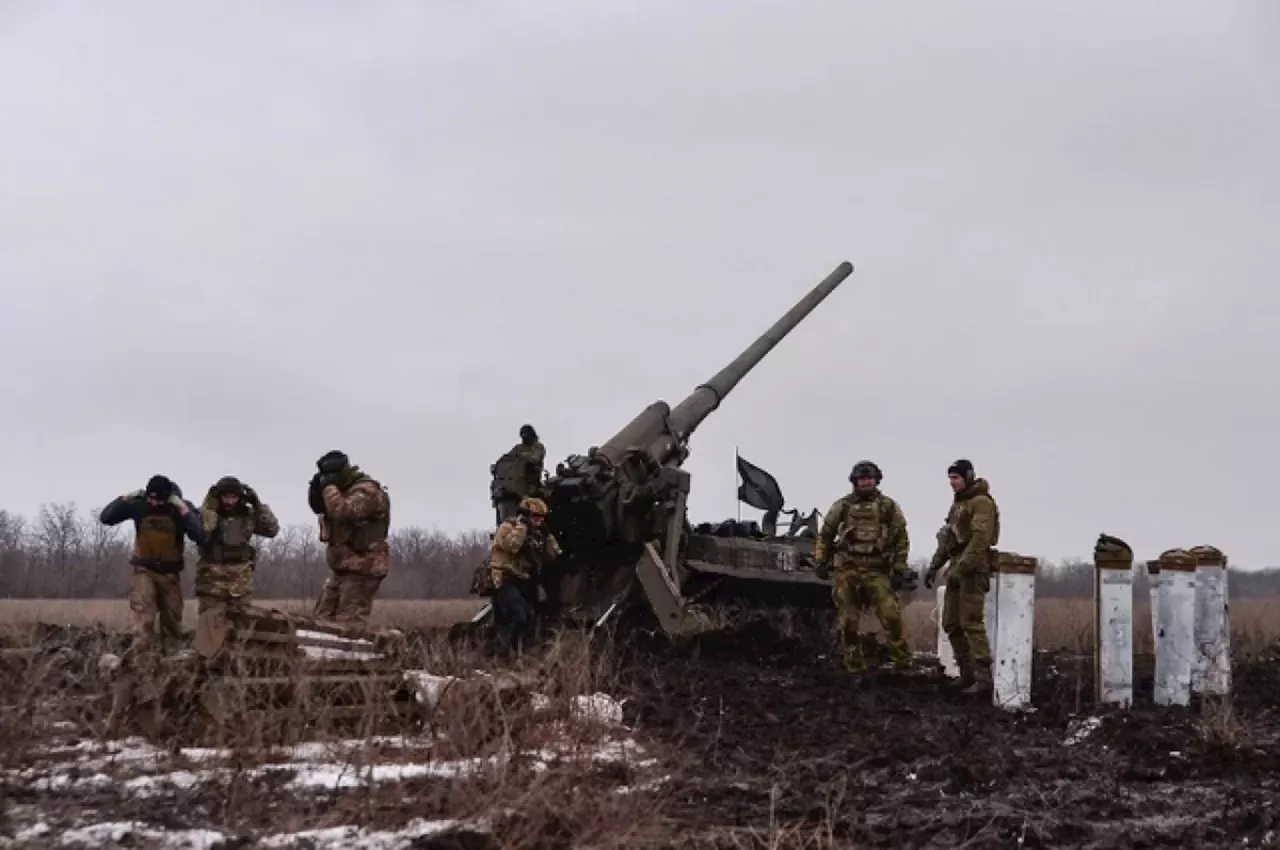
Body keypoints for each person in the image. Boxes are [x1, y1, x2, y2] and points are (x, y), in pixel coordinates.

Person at [813, 460, 914, 673]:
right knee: (848, 622)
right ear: (855, 481)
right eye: (862, 479)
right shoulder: (843, 506)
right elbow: (826, 534)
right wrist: (821, 562)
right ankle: (855, 668)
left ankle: (904, 664)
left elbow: (901, 539)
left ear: (876, 480)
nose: (866, 483)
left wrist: (899, 568)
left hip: (877, 570)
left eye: (869, 479)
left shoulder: (888, 506)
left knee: (891, 617)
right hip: (848, 569)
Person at [98, 475, 204, 656]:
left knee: (172, 620)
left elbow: (199, 534)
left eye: (159, 500)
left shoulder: (180, 508)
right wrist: (125, 498)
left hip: (170, 574)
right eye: (151, 499)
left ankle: (171, 660)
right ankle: (143, 659)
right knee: (143, 617)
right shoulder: (140, 505)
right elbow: (106, 517)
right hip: (144, 570)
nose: (154, 503)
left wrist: (183, 509)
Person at [925, 459, 1000, 697]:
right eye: (950, 478)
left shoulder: (981, 502)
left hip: (974, 569)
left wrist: (961, 569)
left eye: (955, 478)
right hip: (957, 567)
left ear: (967, 476)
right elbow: (948, 540)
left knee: (971, 623)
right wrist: (934, 566)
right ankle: (966, 675)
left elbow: (980, 540)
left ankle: (984, 680)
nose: (952, 483)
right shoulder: (959, 504)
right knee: (950, 623)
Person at [308, 450, 391, 626]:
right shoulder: (342, 490)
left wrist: (329, 487)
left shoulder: (367, 491)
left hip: (364, 566)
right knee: (321, 621)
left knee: (348, 625)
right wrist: (317, 490)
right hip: (342, 568)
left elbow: (344, 512)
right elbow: (321, 508)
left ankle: (363, 652)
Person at [487, 496, 561, 657]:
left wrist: (548, 536)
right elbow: (512, 546)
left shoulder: (538, 533)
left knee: (531, 617)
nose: (539, 521)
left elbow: (553, 554)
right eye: (535, 517)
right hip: (505, 578)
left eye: (542, 518)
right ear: (526, 515)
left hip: (523, 581)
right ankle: (500, 651)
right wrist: (522, 527)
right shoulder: (508, 527)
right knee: (519, 614)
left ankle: (517, 652)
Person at [194, 476, 279, 614]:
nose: (229, 502)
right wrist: (209, 506)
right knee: (210, 622)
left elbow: (272, 529)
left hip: (240, 580)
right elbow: (204, 531)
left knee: (241, 622)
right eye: (225, 497)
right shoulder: (208, 513)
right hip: (212, 580)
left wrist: (258, 505)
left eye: (233, 497)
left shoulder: (247, 515)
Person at [490, 424, 546, 524]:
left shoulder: (538, 447)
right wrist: (497, 466)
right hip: (517, 483)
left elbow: (534, 459)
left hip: (531, 483)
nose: (524, 437)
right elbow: (507, 458)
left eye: (526, 434)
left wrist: (522, 460)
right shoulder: (518, 448)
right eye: (522, 435)